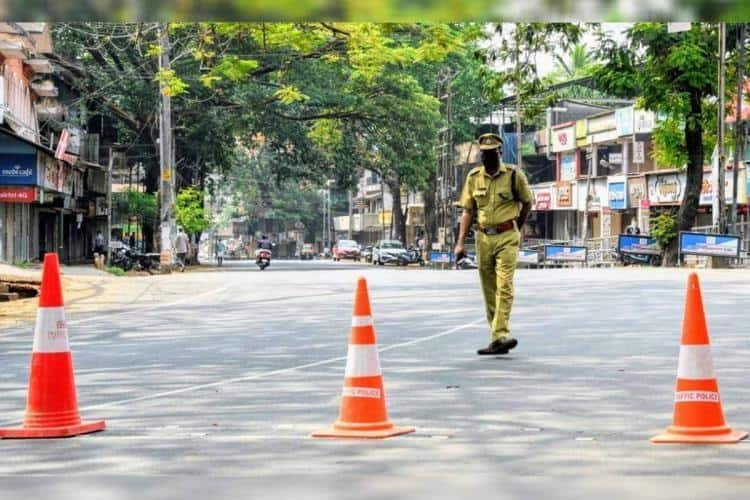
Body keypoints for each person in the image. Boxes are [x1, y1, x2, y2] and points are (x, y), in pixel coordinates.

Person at [455, 124, 532, 356]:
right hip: (483, 237)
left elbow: (527, 202)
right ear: (481, 155)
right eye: (484, 154)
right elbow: (468, 211)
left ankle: (499, 334)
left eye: (492, 153)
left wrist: (517, 227)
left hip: (507, 236)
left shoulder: (513, 175)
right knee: (489, 289)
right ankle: (496, 337)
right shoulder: (473, 178)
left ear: (500, 153)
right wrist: (460, 243)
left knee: (504, 285)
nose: (488, 157)